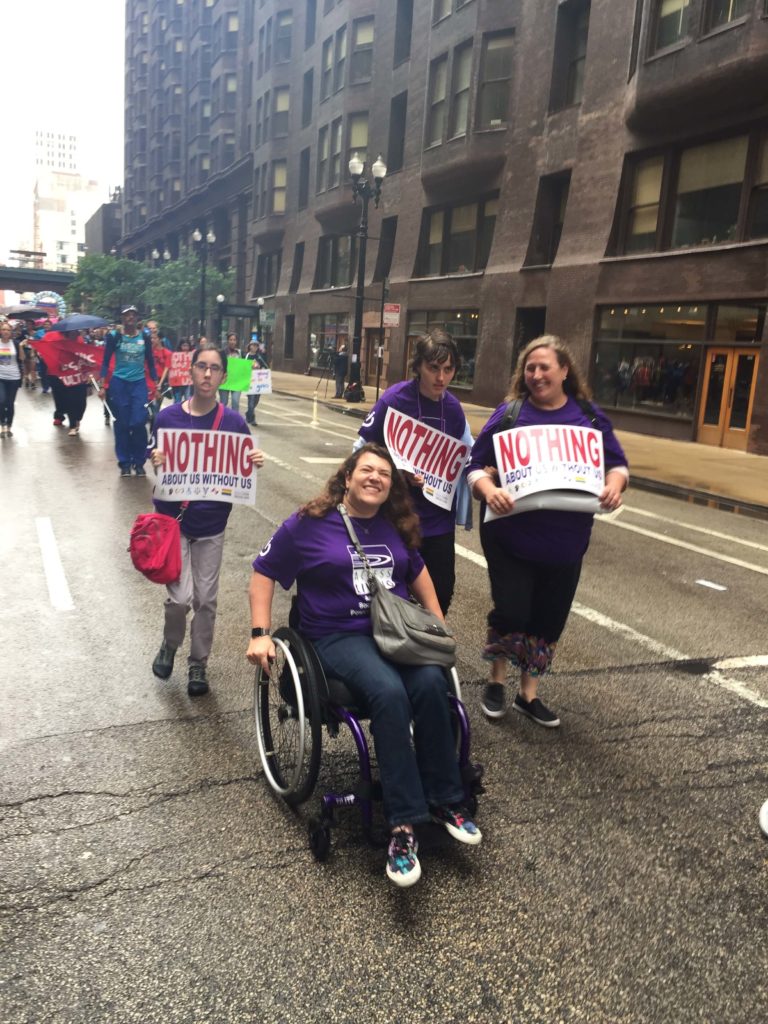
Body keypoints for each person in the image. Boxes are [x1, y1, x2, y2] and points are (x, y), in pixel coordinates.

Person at [247, 443, 481, 888]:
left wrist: (437, 621)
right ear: (348, 477)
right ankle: (404, 826)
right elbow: (263, 572)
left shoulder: (394, 526)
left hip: (392, 633)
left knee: (433, 682)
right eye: (366, 470)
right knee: (389, 692)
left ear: (390, 486)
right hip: (335, 636)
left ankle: (448, 800)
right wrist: (260, 636)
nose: (375, 478)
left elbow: (417, 571)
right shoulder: (308, 524)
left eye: (384, 475)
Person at [467, 335, 629, 727]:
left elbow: (618, 464)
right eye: (530, 368)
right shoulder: (510, 413)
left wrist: (614, 486)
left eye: (544, 367)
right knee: (513, 609)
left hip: (566, 541)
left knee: (548, 618)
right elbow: (474, 465)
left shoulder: (588, 417)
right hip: (511, 537)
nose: (536, 375)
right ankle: (496, 681)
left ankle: (528, 693)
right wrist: (488, 489)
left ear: (564, 370)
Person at [150, 346, 265, 697]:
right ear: (191, 371)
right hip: (175, 522)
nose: (207, 374)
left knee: (206, 600)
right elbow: (151, 463)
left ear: (223, 377)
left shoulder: (234, 423)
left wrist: (255, 460)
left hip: (212, 525)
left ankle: (198, 662)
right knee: (180, 599)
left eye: (215, 369)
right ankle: (171, 643)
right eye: (202, 366)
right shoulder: (167, 418)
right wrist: (154, 458)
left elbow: (242, 466)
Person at [356, 329, 471, 615]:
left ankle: (426, 649)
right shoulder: (394, 400)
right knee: (394, 592)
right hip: (396, 516)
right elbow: (360, 451)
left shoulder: (454, 410)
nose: (441, 378)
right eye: (434, 368)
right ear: (418, 366)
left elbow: (466, 458)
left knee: (441, 594)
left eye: (448, 369)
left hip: (438, 521)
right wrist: (396, 472)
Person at [99, 306, 157, 477]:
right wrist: (102, 386)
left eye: (133, 314)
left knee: (139, 422)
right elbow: (105, 361)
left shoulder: (144, 337)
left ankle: (139, 462)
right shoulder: (114, 337)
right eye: (126, 315)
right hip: (119, 384)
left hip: (139, 384)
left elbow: (151, 362)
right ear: (122, 318)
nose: (130, 317)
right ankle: (124, 463)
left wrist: (156, 385)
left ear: (137, 318)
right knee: (122, 423)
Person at [0, 319, 23, 438]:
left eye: (8, 330)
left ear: (11, 332)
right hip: (1, 377)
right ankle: (2, 424)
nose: (5, 332)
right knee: (1, 401)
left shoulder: (15, 343)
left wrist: (22, 348)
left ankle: (9, 425)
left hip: (14, 377)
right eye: (3, 329)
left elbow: (22, 359)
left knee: (9, 403)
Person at [245, 339, 269, 425]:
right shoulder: (246, 356)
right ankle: (252, 419)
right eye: (253, 345)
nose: (254, 347)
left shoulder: (259, 357)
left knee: (256, 400)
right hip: (250, 383)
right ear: (249, 346)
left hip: (258, 383)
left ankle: (248, 413)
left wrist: (262, 368)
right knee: (251, 401)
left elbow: (266, 367)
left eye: (256, 345)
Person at [219, 333, 243, 412]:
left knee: (235, 402)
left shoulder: (240, 353)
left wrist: (254, 364)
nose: (232, 342)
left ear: (236, 341)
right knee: (224, 402)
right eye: (231, 340)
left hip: (236, 381)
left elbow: (245, 364)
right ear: (228, 341)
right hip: (225, 380)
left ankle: (235, 421)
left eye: (234, 340)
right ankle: (221, 419)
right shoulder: (222, 352)